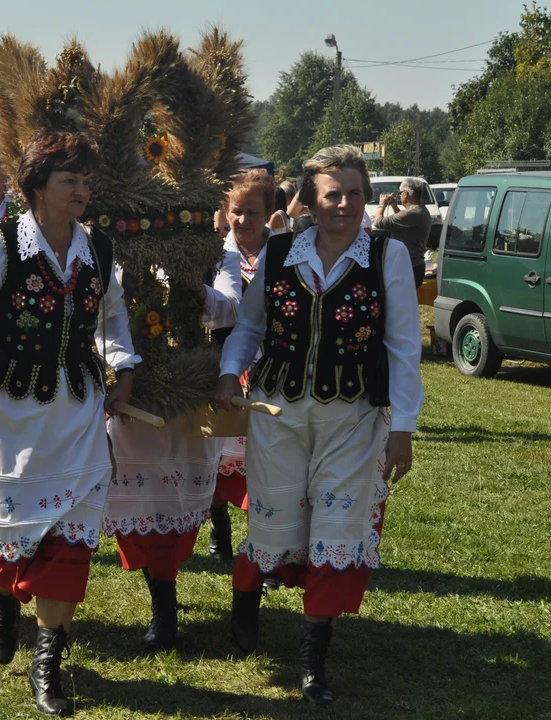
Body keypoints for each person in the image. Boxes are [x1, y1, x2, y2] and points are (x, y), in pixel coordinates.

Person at [0, 130, 137, 716]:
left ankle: (48, 660)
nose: (82, 191)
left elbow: (113, 316)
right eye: (69, 181)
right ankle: (1, 600)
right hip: (4, 412)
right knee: (5, 527)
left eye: (85, 180)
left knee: (69, 537)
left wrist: (123, 365)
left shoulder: (96, 248)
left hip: (75, 414)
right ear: (37, 187)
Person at [215, 145, 423, 707]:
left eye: (355, 193)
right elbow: (249, 327)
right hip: (278, 414)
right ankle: (246, 606)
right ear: (309, 200)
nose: (345, 204)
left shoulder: (387, 256)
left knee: (338, 528)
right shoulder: (280, 250)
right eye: (333, 194)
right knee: (274, 521)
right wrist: (229, 373)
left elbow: (404, 345)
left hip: (353, 418)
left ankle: (313, 658)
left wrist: (403, 425)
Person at [102, 193, 242, 652]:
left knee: (181, 502)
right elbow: (109, 309)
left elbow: (231, 306)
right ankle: (162, 602)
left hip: (189, 392)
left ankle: (169, 584)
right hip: (136, 388)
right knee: (137, 503)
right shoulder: (123, 254)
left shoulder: (221, 255)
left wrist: (198, 293)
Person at [208, 170, 276, 564]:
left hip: (270, 367)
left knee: (265, 459)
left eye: (253, 212)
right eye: (237, 211)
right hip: (224, 368)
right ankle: (218, 524)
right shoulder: (215, 255)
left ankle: (262, 540)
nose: (244, 220)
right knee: (218, 455)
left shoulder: (284, 252)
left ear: (269, 213)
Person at [372, 177, 432, 287]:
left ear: (405, 194)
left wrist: (382, 205)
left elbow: (378, 222)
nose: (399, 195)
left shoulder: (412, 213)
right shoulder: (421, 210)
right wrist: (394, 206)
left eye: (400, 193)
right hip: (415, 266)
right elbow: (402, 222)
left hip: (407, 266)